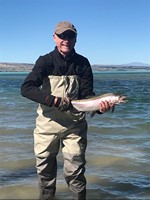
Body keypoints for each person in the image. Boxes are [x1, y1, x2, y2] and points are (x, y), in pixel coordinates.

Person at [21, 21, 113, 200]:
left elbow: (88, 95)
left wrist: (100, 109)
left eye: (70, 36)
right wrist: (53, 100)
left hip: (75, 128)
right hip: (47, 127)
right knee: (45, 175)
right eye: (62, 36)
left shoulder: (83, 64)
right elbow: (26, 88)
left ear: (75, 39)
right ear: (54, 38)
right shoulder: (45, 61)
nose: (66, 40)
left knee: (76, 174)